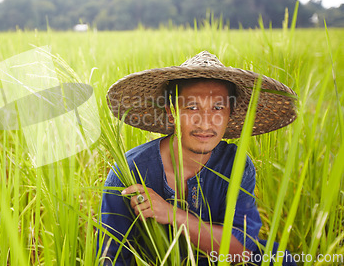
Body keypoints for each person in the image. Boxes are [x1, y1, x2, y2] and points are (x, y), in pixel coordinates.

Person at [98, 51, 298, 265]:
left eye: (218, 108)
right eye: (192, 107)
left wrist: (173, 215)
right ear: (171, 111)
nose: (205, 124)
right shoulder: (129, 172)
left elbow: (242, 250)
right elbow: (111, 258)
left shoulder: (236, 164)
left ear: (230, 114)